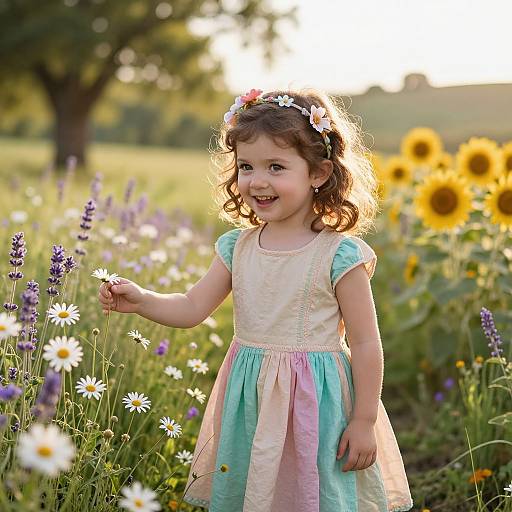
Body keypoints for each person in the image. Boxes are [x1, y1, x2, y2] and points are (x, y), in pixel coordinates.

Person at [98, 88, 413, 512]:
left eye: (276, 166)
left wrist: (363, 420)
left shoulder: (338, 255)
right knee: (255, 487)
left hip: (318, 404)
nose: (257, 181)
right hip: (253, 397)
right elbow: (192, 307)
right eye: (246, 166)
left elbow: (366, 343)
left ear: (318, 173)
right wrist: (142, 300)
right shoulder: (237, 247)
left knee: (316, 492)